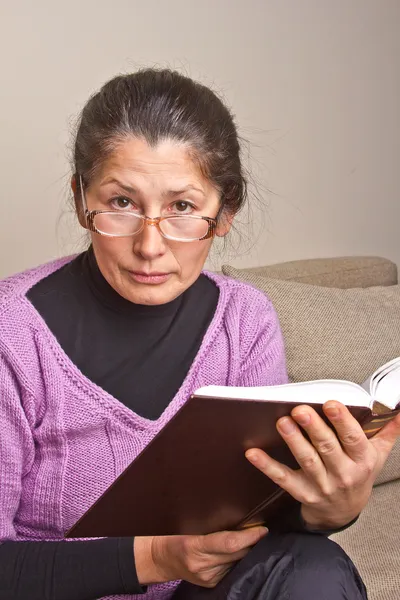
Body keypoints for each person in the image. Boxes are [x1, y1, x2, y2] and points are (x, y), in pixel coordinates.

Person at [0, 69, 399, 600]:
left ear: (224, 212)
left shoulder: (245, 320)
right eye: (121, 202)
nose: (150, 244)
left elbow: (260, 524)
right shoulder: (13, 334)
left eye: (182, 207)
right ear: (81, 199)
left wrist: (331, 510)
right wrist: (156, 556)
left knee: (313, 565)